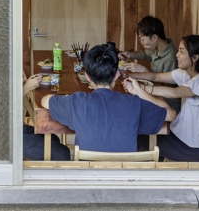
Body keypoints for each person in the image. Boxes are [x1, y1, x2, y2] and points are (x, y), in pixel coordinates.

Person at [40, 44, 175, 153]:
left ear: (87, 77)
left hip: (87, 175)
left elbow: (45, 101)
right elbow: (171, 114)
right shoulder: (134, 103)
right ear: (117, 75)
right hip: (123, 177)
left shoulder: (77, 102)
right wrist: (139, 91)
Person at [126, 35, 199, 161]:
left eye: (181, 51)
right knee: (142, 133)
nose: (177, 55)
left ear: (195, 57)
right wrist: (127, 75)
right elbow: (156, 77)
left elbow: (174, 93)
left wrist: (141, 89)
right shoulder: (186, 74)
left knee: (134, 136)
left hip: (191, 148)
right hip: (181, 139)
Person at [119, 16, 180, 112]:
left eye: (142, 40)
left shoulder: (171, 57)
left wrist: (144, 71)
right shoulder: (156, 48)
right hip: (155, 94)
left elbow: (166, 90)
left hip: (168, 103)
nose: (141, 43)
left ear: (155, 37)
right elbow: (143, 54)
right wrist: (130, 54)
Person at [22, 73, 70, 161]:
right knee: (63, 153)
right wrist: (26, 87)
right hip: (11, 138)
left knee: (54, 138)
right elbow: (4, 104)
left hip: (20, 128)